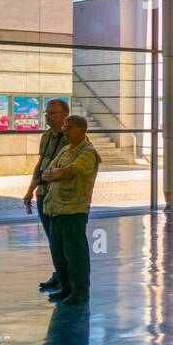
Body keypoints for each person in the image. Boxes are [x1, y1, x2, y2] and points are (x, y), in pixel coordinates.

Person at [40, 115, 101, 306]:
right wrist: (56, 173)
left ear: (83, 130)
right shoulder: (65, 151)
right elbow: (45, 174)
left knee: (75, 253)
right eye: (65, 126)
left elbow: (68, 172)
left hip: (73, 209)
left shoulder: (88, 152)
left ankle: (79, 290)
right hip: (55, 208)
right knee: (58, 251)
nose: (65, 130)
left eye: (70, 127)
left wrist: (58, 173)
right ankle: (66, 287)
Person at [23, 98, 69, 293]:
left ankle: (67, 279)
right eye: (47, 112)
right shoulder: (46, 137)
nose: (47, 116)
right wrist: (30, 189)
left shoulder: (71, 138)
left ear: (64, 115)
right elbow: (40, 164)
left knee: (62, 240)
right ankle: (59, 274)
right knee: (53, 239)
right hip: (43, 193)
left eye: (52, 112)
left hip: (58, 196)